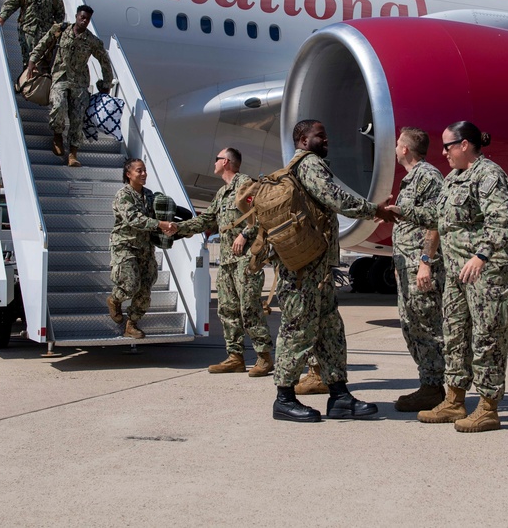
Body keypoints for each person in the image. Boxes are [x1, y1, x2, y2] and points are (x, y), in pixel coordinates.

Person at [397, 121, 508, 433]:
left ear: (465, 144)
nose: (443, 153)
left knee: (487, 337)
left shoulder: (488, 174)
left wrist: (481, 255)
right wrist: (399, 213)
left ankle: (488, 406)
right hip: (456, 273)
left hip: (488, 273)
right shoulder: (453, 179)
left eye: (448, 146)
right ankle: (454, 399)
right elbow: (440, 221)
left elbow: (501, 222)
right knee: (454, 336)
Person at [271, 119, 399, 423]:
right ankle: (284, 398)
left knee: (330, 333)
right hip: (305, 272)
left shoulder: (303, 167)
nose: (325, 139)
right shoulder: (309, 165)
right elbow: (335, 197)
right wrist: (375, 210)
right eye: (319, 135)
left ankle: (340, 396)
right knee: (297, 331)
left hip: (318, 272)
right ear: (302, 140)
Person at [165, 147, 275, 377]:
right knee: (227, 309)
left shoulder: (246, 184)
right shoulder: (223, 192)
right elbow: (206, 220)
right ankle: (235, 357)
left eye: (217, 159)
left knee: (249, 308)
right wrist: (178, 228)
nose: (213, 162)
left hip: (246, 259)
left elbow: (263, 212)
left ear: (225, 162)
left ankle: (264, 357)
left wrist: (245, 233)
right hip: (226, 261)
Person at [390, 127, 446, 411]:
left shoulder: (428, 176)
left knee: (426, 326)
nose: (395, 146)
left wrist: (425, 262)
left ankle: (434, 387)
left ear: (405, 150)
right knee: (412, 325)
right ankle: (429, 383)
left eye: (398, 143)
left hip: (421, 267)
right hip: (408, 265)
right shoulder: (411, 179)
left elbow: (436, 222)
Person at [29, 5, 113, 168]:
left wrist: (106, 84)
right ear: (76, 16)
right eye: (82, 17)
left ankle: (73, 154)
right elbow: (44, 43)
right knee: (58, 106)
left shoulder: (92, 41)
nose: (84, 21)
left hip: (80, 82)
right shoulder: (61, 30)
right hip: (60, 77)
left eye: (87, 19)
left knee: (77, 118)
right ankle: (58, 135)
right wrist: (33, 60)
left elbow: (104, 61)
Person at [108, 158, 164, 339]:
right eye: (139, 171)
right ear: (129, 174)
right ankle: (114, 299)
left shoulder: (149, 195)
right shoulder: (123, 195)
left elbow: (161, 211)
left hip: (145, 248)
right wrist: (160, 224)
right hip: (125, 246)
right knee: (131, 284)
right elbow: (133, 219)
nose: (144, 174)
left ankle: (131, 325)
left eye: (145, 170)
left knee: (145, 289)